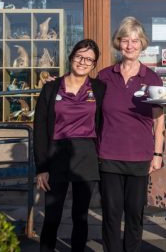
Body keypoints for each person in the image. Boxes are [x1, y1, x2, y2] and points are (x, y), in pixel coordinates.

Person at [97, 17, 166, 252]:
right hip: (109, 155)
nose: (130, 45)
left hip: (139, 157)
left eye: (135, 41)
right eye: (125, 40)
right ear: (118, 43)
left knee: (134, 216)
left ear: (142, 44)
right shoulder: (104, 76)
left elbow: (159, 121)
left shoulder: (152, 78)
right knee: (111, 215)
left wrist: (158, 153)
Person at [33, 39, 106, 252]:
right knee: (52, 215)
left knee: (80, 216)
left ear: (94, 65)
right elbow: (39, 129)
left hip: (86, 156)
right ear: (71, 57)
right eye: (79, 57)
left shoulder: (100, 89)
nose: (83, 62)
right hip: (56, 156)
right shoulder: (50, 88)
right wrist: (42, 168)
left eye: (89, 60)